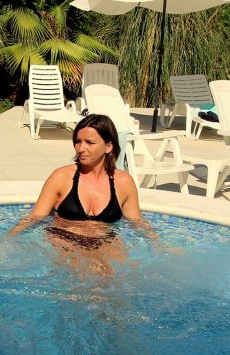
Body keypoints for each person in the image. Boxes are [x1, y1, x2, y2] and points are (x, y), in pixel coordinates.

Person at [10, 114, 154, 277]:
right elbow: (35, 217)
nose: (81, 148)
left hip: (105, 241)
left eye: (90, 143)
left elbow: (137, 222)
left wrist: (160, 244)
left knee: (126, 276)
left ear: (108, 146)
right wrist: (8, 238)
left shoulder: (124, 182)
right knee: (91, 273)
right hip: (64, 238)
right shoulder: (61, 177)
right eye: (78, 141)